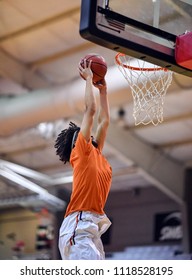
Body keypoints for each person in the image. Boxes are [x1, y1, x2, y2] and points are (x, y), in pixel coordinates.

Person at [54, 58, 112, 260]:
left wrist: (103, 91)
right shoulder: (81, 149)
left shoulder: (95, 153)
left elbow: (104, 122)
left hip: (91, 226)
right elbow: (91, 111)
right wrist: (88, 79)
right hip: (79, 223)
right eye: (84, 134)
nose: (90, 134)